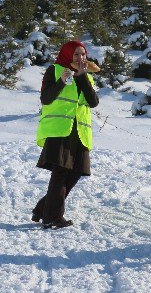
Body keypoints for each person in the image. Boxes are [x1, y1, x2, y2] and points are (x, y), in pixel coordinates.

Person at [32, 40, 100, 229]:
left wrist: (82, 77)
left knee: (76, 171)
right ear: (68, 54)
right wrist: (62, 80)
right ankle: (52, 217)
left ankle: (43, 209)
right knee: (60, 172)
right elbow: (46, 99)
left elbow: (93, 102)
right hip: (59, 129)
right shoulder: (54, 70)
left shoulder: (87, 76)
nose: (80, 58)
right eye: (76, 54)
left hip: (80, 131)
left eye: (83, 55)